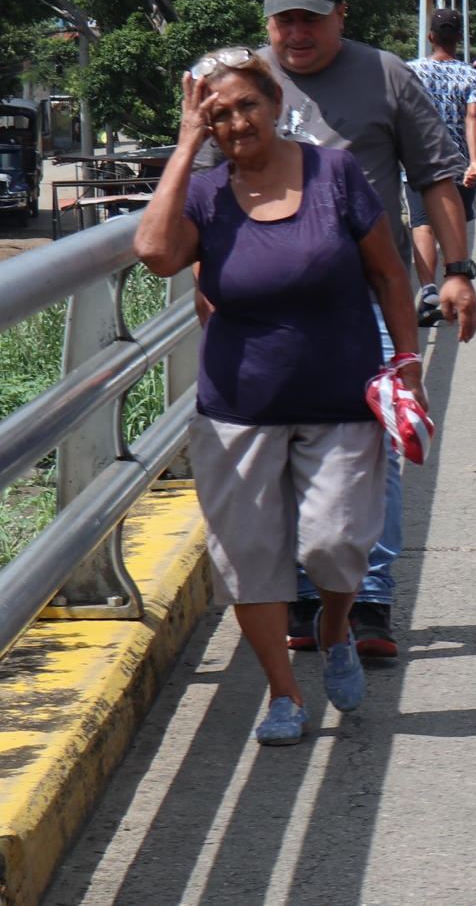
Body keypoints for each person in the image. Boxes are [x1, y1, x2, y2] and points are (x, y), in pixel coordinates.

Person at [134, 48, 424, 745]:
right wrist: (184, 147)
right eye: (217, 114)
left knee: (335, 543)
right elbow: (153, 251)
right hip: (239, 406)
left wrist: (407, 360)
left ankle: (334, 629)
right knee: (252, 558)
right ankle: (284, 693)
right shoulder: (205, 195)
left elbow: (387, 273)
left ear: (274, 103)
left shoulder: (335, 173)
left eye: (245, 106)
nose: (236, 122)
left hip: (341, 398)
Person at [254, 0, 476, 658]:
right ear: (269, 19)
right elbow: (204, 188)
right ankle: (301, 592)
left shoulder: (385, 75)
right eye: (284, 18)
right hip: (268, 310)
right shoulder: (244, 81)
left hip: (370, 297)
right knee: (283, 448)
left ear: (339, 15)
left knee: (374, 445)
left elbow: (435, 177)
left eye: (311, 19)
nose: (297, 33)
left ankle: (371, 601)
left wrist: (459, 269)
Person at [407, 9, 476, 327]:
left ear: (430, 38)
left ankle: (428, 292)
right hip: (456, 166)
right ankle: (457, 280)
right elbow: (474, 117)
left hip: (417, 163)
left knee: (422, 225)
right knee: (453, 228)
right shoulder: (473, 76)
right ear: (459, 39)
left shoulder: (410, 72)